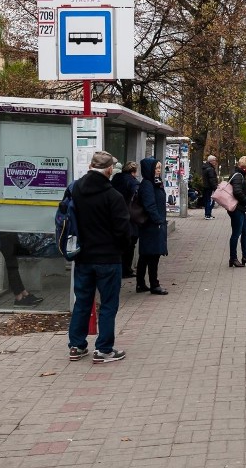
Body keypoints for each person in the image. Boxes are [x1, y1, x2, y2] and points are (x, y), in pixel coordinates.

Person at [67, 150, 130, 364]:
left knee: (82, 302)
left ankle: (76, 345)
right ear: (110, 169)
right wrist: (121, 248)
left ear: (90, 167)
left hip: (83, 257)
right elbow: (123, 230)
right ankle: (103, 349)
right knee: (108, 304)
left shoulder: (75, 190)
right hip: (108, 259)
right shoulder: (113, 196)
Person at [135, 157, 169, 295]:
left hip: (153, 224)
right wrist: (158, 220)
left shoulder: (154, 183)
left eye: (160, 168)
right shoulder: (147, 184)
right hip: (152, 225)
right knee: (153, 255)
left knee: (146, 255)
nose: (158, 170)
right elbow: (150, 205)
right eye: (156, 168)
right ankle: (154, 284)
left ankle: (141, 283)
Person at [0, 232, 44, 307]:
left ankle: (24, 293)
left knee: (14, 265)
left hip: (8, 235)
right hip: (3, 235)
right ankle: (19, 297)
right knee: (12, 266)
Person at [227, 155, 246, 268]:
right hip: (237, 209)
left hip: (240, 208)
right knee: (236, 233)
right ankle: (233, 258)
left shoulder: (240, 175)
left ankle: (245, 256)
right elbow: (237, 192)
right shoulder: (238, 176)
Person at [111, 161, 139, 278]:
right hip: (128, 215)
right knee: (130, 243)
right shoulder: (132, 182)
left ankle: (119, 268)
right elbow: (137, 194)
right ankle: (126, 269)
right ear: (133, 172)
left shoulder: (116, 178)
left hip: (114, 213)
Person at [202, 155, 219, 220]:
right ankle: (208, 214)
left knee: (207, 201)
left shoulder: (206, 168)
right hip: (209, 187)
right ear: (211, 161)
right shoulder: (210, 169)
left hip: (206, 186)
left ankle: (207, 214)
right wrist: (215, 188)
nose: (215, 162)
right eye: (214, 160)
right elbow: (212, 179)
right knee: (210, 201)